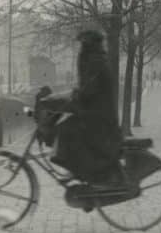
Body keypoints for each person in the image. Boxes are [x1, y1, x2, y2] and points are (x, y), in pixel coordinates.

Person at [51, 30, 122, 184]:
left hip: (99, 115)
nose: (81, 47)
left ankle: (76, 170)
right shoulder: (96, 59)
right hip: (97, 112)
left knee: (67, 128)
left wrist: (74, 98)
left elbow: (89, 89)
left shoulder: (95, 61)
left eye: (83, 43)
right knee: (67, 126)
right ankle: (76, 169)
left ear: (89, 44)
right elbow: (87, 87)